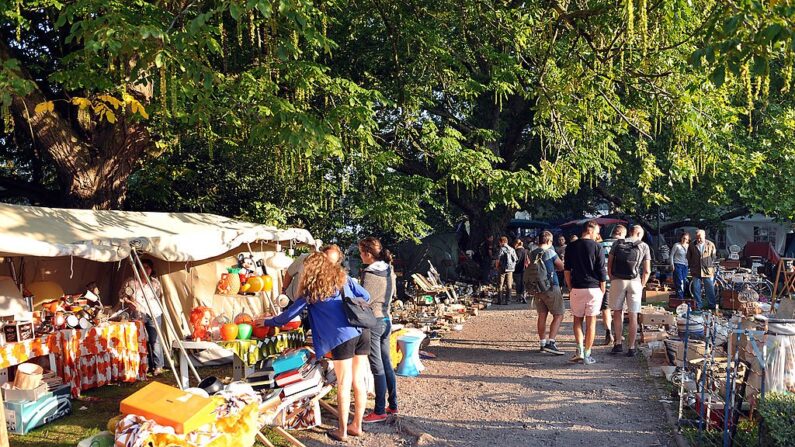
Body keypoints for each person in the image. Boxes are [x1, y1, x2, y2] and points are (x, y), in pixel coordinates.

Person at [264, 253, 371, 442]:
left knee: (344, 384)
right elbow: (366, 295)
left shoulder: (312, 290)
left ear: (310, 270)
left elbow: (288, 316)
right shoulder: (343, 278)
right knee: (359, 381)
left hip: (342, 336)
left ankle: (343, 432)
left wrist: (267, 321)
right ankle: (357, 426)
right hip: (362, 330)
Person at [357, 237, 399, 423]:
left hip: (374, 322)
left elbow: (363, 299)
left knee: (377, 367)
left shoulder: (370, 273)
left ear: (367, 254)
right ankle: (394, 405)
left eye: (360, 252)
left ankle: (379, 410)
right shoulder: (389, 269)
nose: (360, 256)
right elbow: (393, 293)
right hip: (387, 319)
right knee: (387, 363)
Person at [564, 221, 607, 365]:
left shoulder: (571, 246)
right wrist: (602, 288)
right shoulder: (597, 247)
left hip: (577, 287)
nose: (597, 234)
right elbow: (601, 270)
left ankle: (579, 350)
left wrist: (570, 287)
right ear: (590, 230)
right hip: (594, 288)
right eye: (597, 231)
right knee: (592, 322)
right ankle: (588, 354)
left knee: (577, 320)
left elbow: (567, 270)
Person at [608, 225, 651, 357]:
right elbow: (647, 270)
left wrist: (612, 278)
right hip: (635, 281)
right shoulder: (644, 246)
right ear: (638, 233)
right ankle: (631, 348)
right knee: (633, 315)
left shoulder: (617, 243)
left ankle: (618, 344)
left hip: (618, 281)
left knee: (617, 312)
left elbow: (609, 265)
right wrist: (642, 285)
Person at [119, 259, 164, 376]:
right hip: (138, 313)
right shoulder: (131, 282)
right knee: (140, 340)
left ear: (151, 270)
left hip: (154, 312)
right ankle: (144, 365)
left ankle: (158, 365)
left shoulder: (155, 283)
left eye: (148, 267)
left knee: (155, 340)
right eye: (142, 267)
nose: (145, 270)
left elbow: (159, 296)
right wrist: (129, 303)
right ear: (138, 269)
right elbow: (122, 296)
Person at [527, 231, 565, 355]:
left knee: (542, 315)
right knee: (558, 314)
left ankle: (542, 343)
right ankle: (551, 342)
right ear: (549, 241)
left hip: (537, 288)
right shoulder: (550, 252)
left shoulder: (532, 253)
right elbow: (561, 266)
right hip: (551, 287)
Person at [599, 225, 628, 346]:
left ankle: (608, 332)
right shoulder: (625, 245)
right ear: (622, 234)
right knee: (619, 309)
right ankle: (618, 334)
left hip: (604, 281)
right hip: (620, 280)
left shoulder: (601, 245)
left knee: (606, 308)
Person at [686, 229, 717, 309]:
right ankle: (698, 305)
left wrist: (709, 264)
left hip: (707, 270)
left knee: (710, 288)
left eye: (700, 238)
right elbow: (688, 257)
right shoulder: (692, 245)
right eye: (697, 238)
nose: (699, 239)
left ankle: (712, 305)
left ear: (704, 236)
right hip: (696, 270)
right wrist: (691, 265)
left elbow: (713, 257)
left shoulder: (710, 244)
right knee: (696, 289)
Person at [496, 236, 518, 305]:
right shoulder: (512, 249)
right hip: (510, 269)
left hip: (502, 269)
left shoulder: (501, 249)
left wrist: (497, 267)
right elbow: (515, 259)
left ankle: (500, 300)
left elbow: (498, 260)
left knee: (500, 284)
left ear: (501, 242)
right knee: (509, 284)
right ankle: (508, 300)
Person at [671, 232, 690, 299]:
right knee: (679, 281)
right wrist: (672, 265)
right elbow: (671, 255)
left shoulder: (689, 246)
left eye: (686, 239)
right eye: (683, 238)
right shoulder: (676, 245)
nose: (685, 240)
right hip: (677, 264)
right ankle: (680, 298)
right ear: (681, 238)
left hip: (685, 265)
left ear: (688, 240)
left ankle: (682, 295)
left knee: (684, 281)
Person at [513, 239, 528, 304]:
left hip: (516, 269)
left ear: (516, 244)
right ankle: (524, 296)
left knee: (518, 284)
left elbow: (515, 260)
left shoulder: (516, 251)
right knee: (523, 283)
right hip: (524, 269)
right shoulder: (525, 251)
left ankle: (519, 297)